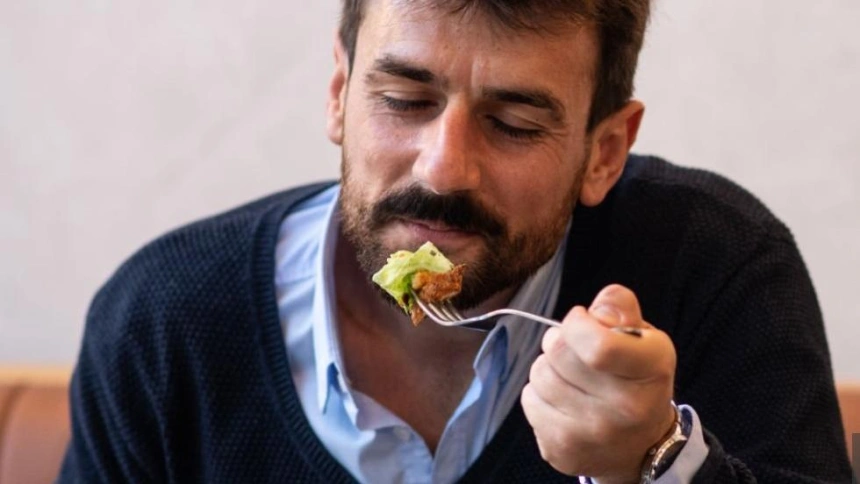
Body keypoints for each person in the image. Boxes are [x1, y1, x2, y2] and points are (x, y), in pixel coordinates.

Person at [59, 0, 853, 482]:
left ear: (603, 151)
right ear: (339, 95)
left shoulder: (716, 268)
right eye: (405, 99)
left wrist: (656, 466)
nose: (443, 170)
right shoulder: (166, 324)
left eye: (513, 124)